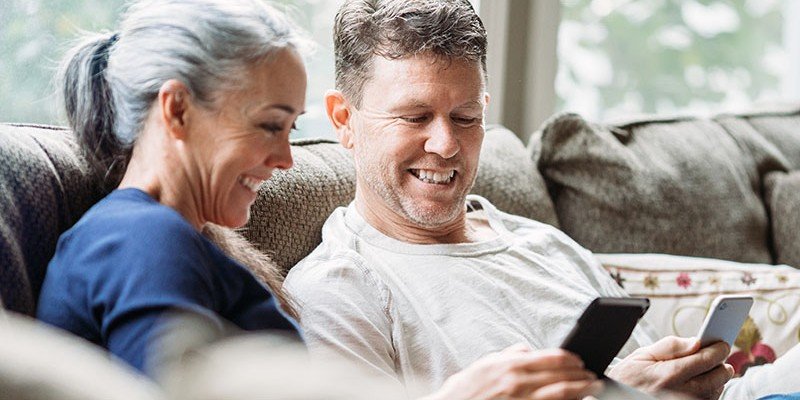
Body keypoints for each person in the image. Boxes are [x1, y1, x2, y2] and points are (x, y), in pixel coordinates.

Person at [283, 1, 800, 399]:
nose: (444, 144)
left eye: (465, 117)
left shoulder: (541, 244)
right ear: (344, 120)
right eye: (414, 117)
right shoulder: (338, 291)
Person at [37, 0, 307, 374]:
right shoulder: (142, 238)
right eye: (270, 125)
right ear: (177, 109)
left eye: (291, 129)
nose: (285, 159)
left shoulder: (159, 237)